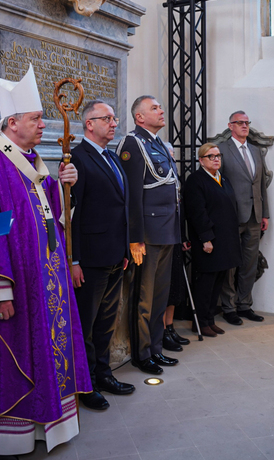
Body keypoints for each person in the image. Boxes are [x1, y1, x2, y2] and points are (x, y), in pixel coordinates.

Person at [0, 68, 91, 457]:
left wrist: (63, 186)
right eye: (36, 119)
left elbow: (47, 219)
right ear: (12, 123)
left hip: (42, 282)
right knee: (1, 359)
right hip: (6, 289)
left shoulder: (30, 161)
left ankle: (42, 425)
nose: (44, 124)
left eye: (42, 117)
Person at [70, 100, 135, 411]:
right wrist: (74, 260)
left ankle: (104, 372)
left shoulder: (111, 156)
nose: (113, 123)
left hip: (114, 255)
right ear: (89, 124)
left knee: (106, 323)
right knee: (86, 323)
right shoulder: (77, 159)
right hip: (90, 259)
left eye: (114, 118)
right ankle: (86, 385)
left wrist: (124, 248)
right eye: (107, 118)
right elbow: (72, 216)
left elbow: (121, 208)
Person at [117, 95, 180, 375]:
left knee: (159, 296)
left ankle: (155, 347)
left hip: (168, 231)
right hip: (148, 235)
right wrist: (135, 237)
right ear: (140, 117)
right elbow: (132, 196)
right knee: (144, 298)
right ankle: (142, 354)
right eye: (154, 108)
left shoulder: (156, 143)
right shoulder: (133, 143)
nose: (161, 110)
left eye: (160, 106)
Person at [183, 143, 242, 337]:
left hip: (224, 240)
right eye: (211, 156)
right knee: (205, 284)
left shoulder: (222, 178)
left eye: (218, 156)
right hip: (208, 241)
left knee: (218, 282)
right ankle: (199, 322)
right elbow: (197, 213)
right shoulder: (195, 180)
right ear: (201, 160)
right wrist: (206, 238)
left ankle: (209, 319)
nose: (216, 159)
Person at [217, 111, 270, 325]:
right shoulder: (221, 150)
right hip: (231, 216)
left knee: (249, 263)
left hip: (255, 216)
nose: (244, 126)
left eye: (247, 123)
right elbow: (216, 184)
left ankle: (245, 305)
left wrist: (265, 213)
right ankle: (228, 307)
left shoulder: (256, 151)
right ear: (230, 126)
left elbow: (260, 184)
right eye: (240, 123)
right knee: (230, 264)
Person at [162, 142, 190, 351]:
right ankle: (162, 330)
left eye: (173, 156)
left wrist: (184, 237)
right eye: (168, 155)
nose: (172, 159)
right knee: (164, 289)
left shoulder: (176, 181)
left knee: (175, 288)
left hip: (176, 238)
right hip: (163, 238)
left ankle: (170, 326)